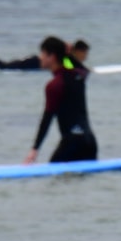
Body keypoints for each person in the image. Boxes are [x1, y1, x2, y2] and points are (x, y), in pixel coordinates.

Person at [23, 36, 96, 164]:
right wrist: (67, 56)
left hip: (72, 143)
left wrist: (35, 149)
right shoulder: (78, 76)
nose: (40, 57)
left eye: (43, 54)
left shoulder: (54, 85)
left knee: (54, 179)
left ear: (52, 57)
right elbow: (81, 69)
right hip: (90, 142)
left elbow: (47, 118)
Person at [0, 39, 90, 71]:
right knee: (4, 66)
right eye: (85, 53)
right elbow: (70, 66)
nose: (86, 56)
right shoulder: (66, 55)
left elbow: (71, 66)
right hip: (33, 62)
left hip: (35, 62)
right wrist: (84, 70)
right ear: (79, 51)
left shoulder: (67, 55)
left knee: (4, 66)